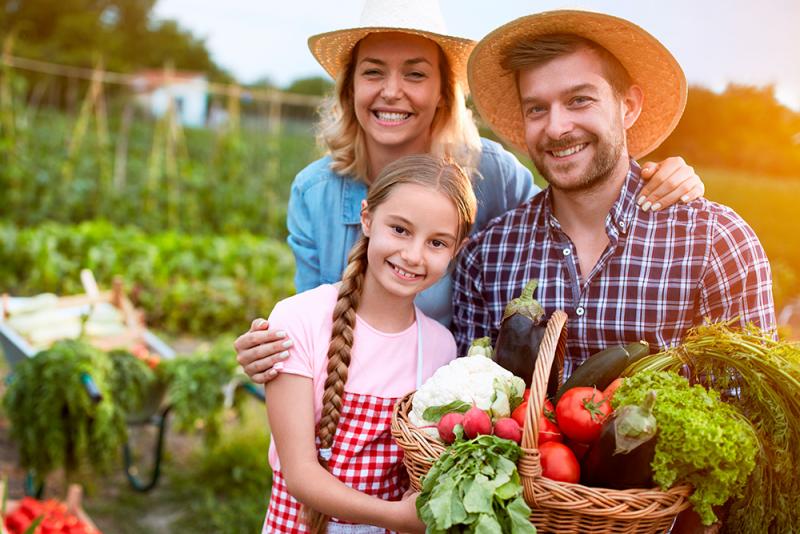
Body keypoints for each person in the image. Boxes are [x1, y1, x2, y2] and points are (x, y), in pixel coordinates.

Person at [236, 0, 705, 383]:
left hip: (442, 406)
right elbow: (310, 322)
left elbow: (572, 204)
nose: (391, 92)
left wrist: (660, 174)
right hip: (350, 403)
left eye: (416, 74)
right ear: (350, 88)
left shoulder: (493, 175)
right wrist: (272, 349)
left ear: (443, 90)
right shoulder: (315, 192)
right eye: (373, 72)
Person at [452, 10, 776, 375]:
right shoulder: (487, 257)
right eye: (537, 108)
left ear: (629, 106)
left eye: (579, 100)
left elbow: (754, 414)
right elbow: (472, 412)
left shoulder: (716, 243)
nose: (557, 128)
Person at [262, 154, 476, 533]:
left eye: (437, 242)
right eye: (400, 229)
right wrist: (396, 516)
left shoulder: (440, 347)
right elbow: (299, 474)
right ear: (367, 218)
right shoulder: (299, 319)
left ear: (456, 250)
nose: (413, 255)